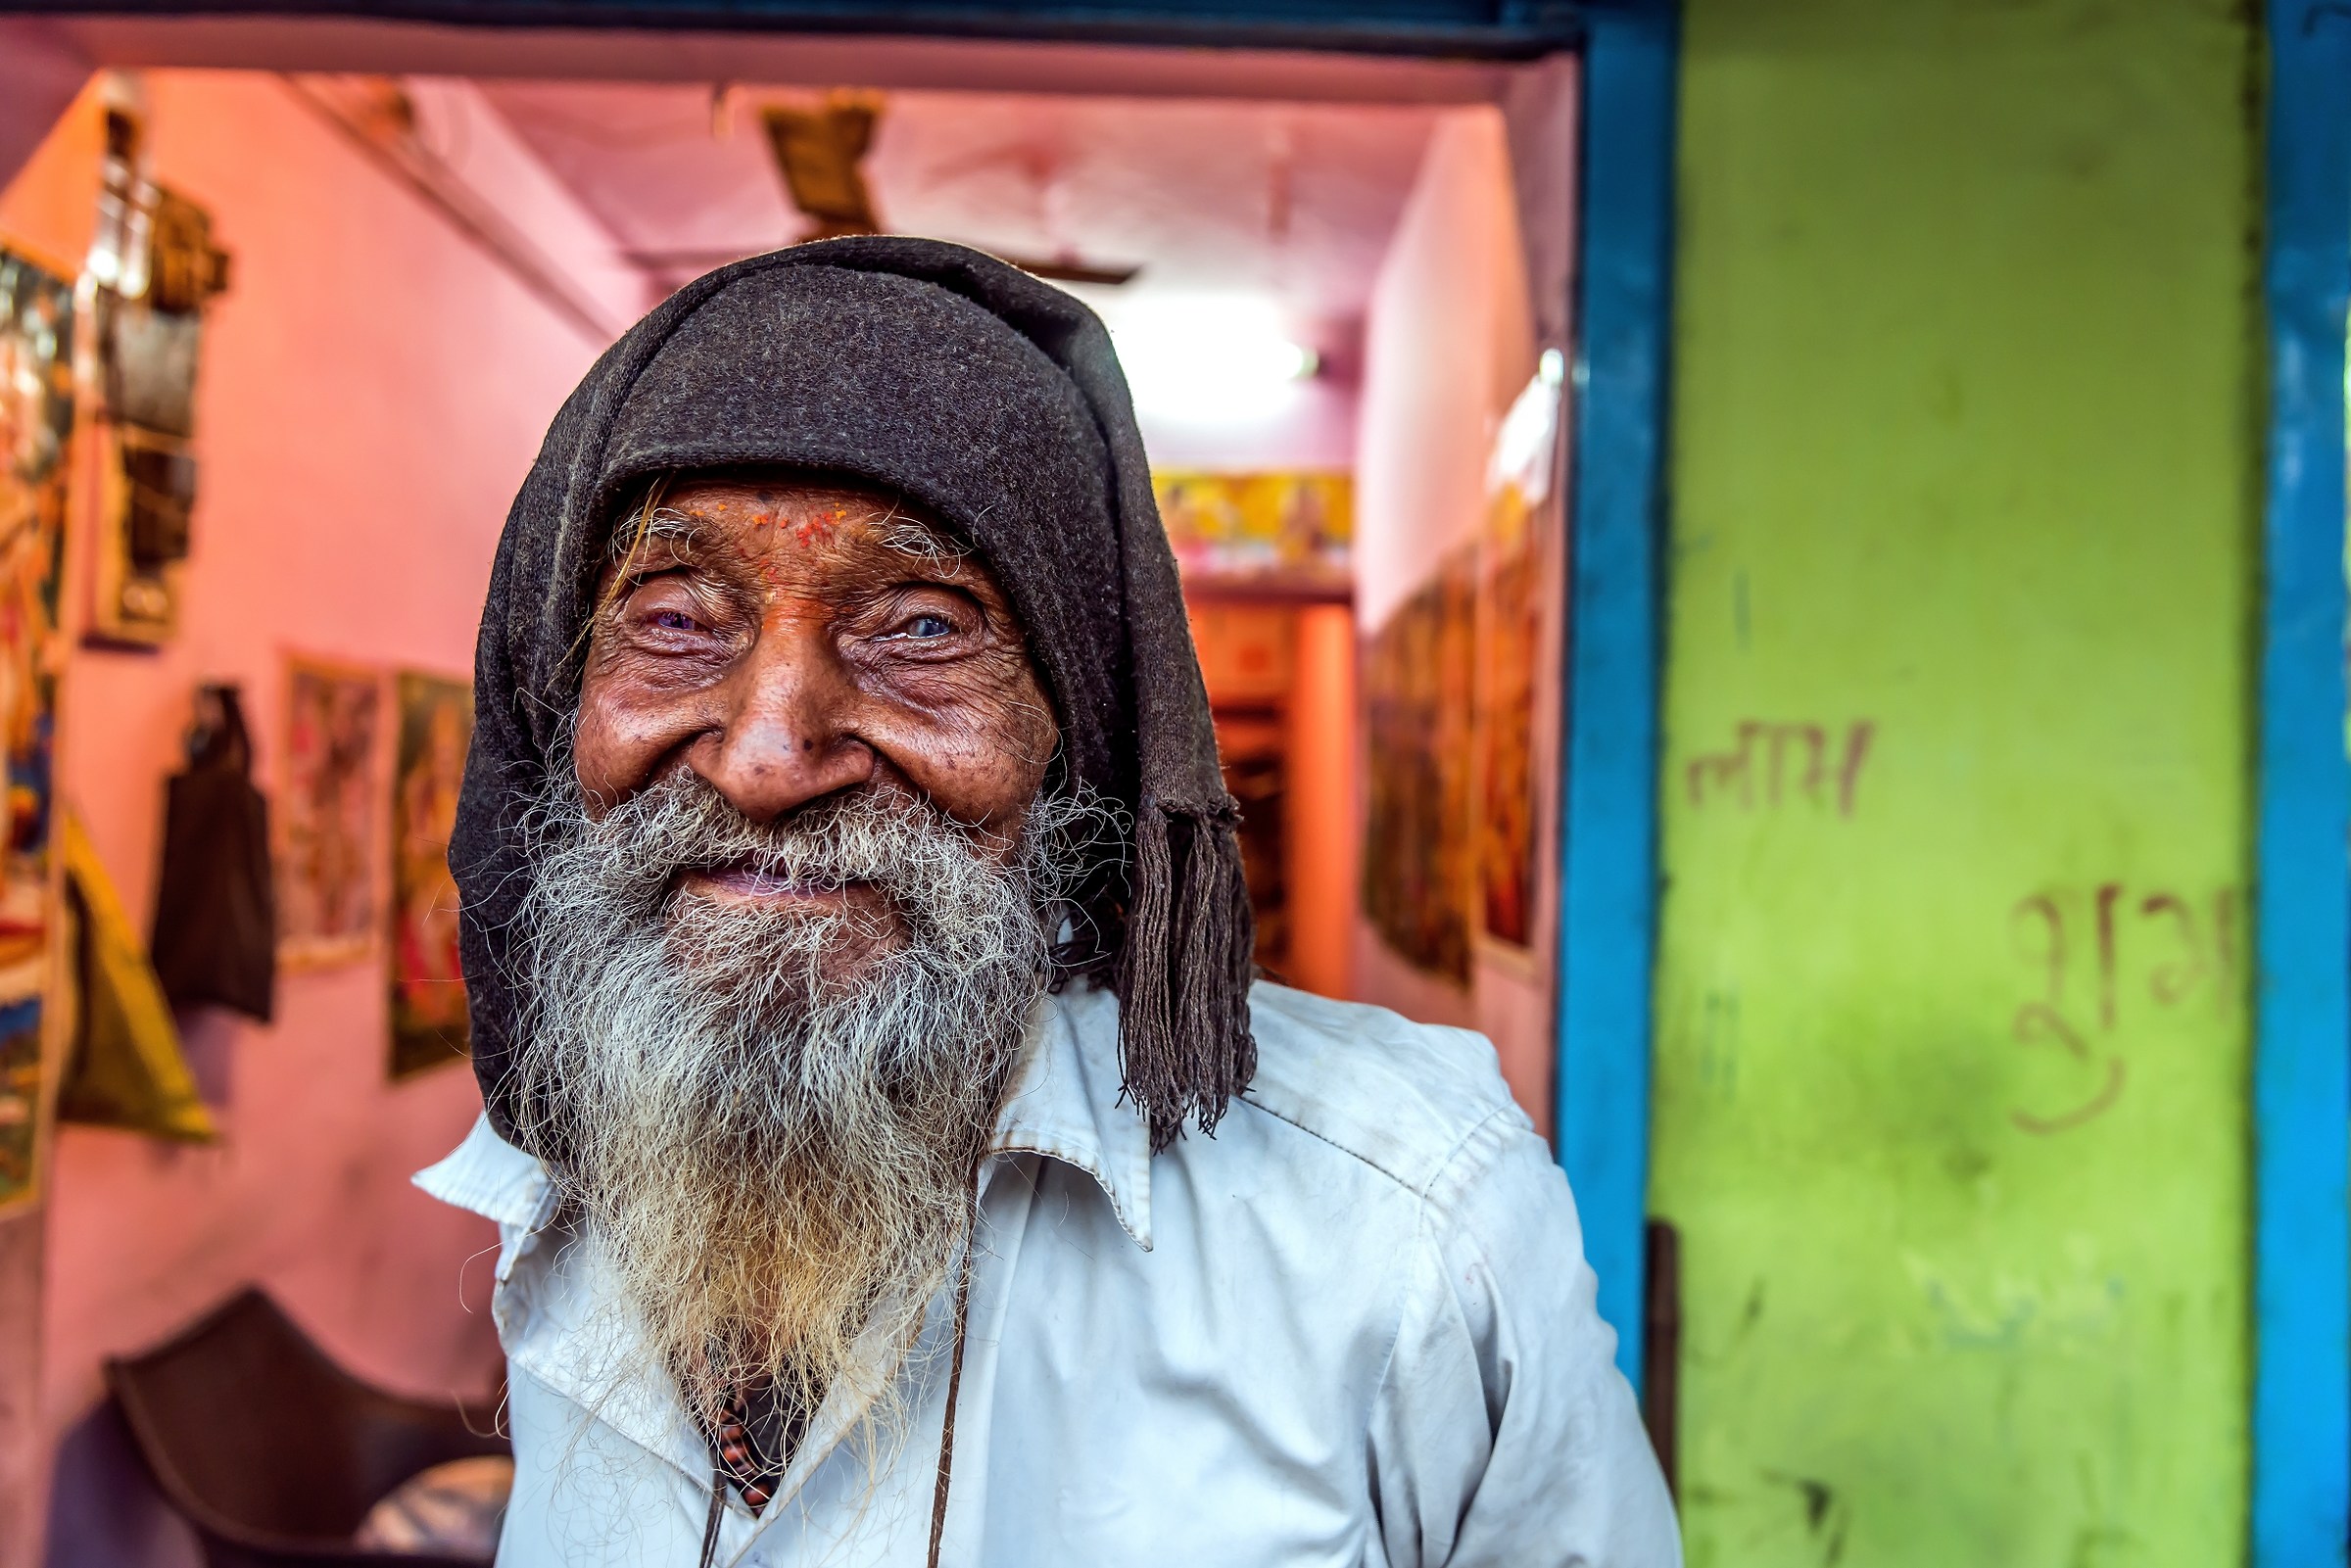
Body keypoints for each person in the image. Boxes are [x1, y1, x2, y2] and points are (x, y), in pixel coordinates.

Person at [415, 237, 1678, 1567]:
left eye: (920, 627)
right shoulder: (562, 1150)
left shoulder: (1406, 1225)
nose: (769, 755)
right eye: (673, 619)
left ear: (1068, 726)